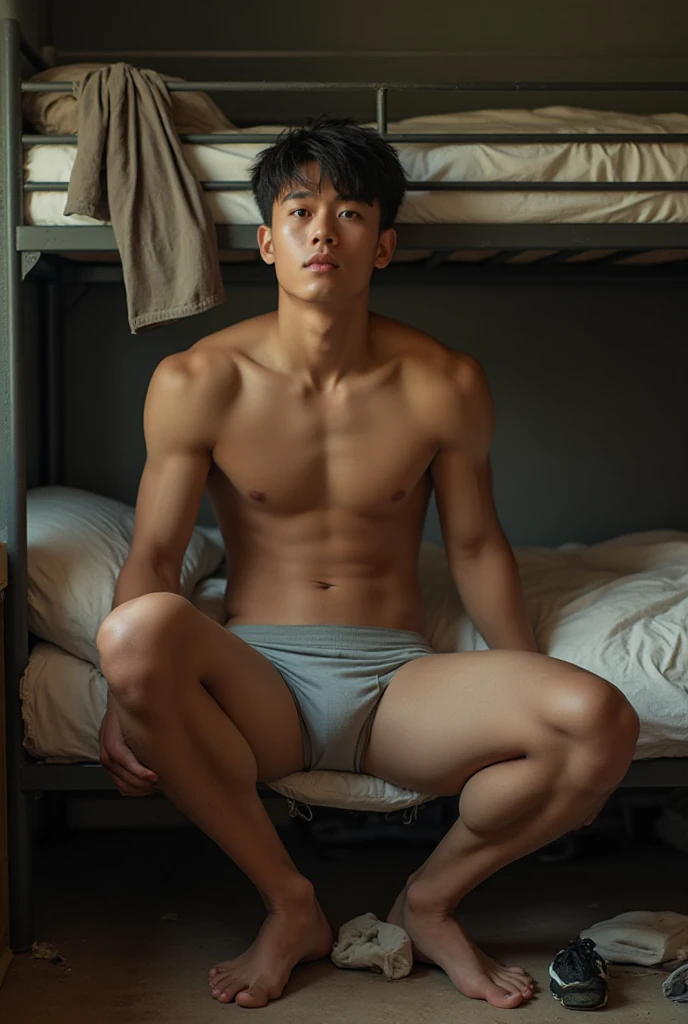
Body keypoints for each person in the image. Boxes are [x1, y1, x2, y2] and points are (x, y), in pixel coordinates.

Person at [96, 116, 640, 1011]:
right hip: (258, 677)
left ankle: (429, 903)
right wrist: (126, 698)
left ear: (381, 244)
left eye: (349, 212)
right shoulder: (199, 382)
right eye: (301, 210)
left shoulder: (442, 383)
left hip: (398, 683)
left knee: (599, 718)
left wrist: (524, 673)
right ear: (268, 241)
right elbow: (153, 555)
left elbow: (473, 546)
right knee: (132, 632)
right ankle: (289, 904)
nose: (323, 230)